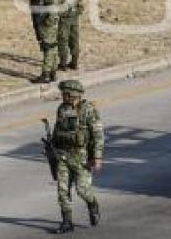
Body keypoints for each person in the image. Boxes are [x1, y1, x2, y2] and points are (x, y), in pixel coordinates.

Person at [51, 79, 104, 234]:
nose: (63, 97)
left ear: (74, 95)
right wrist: (52, 146)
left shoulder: (89, 110)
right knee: (62, 191)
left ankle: (92, 204)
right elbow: (57, 129)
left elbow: (98, 135)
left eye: (66, 94)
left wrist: (97, 157)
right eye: (63, 94)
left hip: (81, 157)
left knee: (82, 189)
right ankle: (67, 222)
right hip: (63, 155)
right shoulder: (61, 109)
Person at [31, 0, 64, 84]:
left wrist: (48, 19)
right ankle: (53, 73)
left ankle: (45, 74)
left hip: (47, 20)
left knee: (48, 47)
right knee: (53, 46)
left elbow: (52, 4)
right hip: (50, 19)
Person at [56, 0, 83, 71]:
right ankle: (75, 62)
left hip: (64, 14)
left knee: (63, 39)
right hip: (74, 12)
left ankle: (63, 63)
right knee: (74, 38)